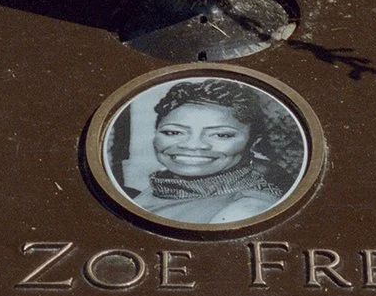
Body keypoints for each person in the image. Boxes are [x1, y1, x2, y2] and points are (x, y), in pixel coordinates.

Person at [123, 76, 301, 225]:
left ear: (253, 143)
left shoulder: (246, 209)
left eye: (221, 135)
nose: (192, 145)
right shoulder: (165, 185)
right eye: (173, 132)